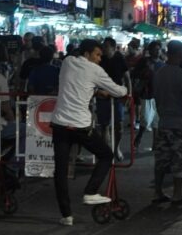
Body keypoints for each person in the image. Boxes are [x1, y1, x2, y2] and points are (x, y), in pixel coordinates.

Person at [51, 38, 128, 226]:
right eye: (97, 54)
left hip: (60, 124)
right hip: (80, 125)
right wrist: (125, 89)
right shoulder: (96, 71)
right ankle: (91, 191)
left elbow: (76, 86)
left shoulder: (67, 62)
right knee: (106, 155)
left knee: (60, 171)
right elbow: (119, 91)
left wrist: (94, 91)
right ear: (87, 54)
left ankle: (66, 215)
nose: (100, 59)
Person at [150, 41, 182, 206]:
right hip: (180, 124)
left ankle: (158, 192)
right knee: (180, 160)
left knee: (161, 160)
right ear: (180, 53)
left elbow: (156, 97)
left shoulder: (159, 74)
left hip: (163, 122)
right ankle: (177, 195)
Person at [96, 37, 131, 161]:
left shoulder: (119, 58)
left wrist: (129, 95)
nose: (104, 49)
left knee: (119, 125)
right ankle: (108, 151)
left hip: (117, 96)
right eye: (103, 46)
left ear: (113, 47)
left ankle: (117, 148)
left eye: (106, 46)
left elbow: (127, 78)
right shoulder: (100, 59)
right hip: (102, 95)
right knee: (104, 125)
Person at [132, 41, 164, 151]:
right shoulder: (144, 61)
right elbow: (135, 75)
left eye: (159, 49)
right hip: (147, 94)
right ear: (150, 51)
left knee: (157, 121)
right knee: (145, 119)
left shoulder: (162, 63)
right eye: (155, 49)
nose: (157, 51)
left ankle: (155, 143)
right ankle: (139, 137)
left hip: (159, 95)